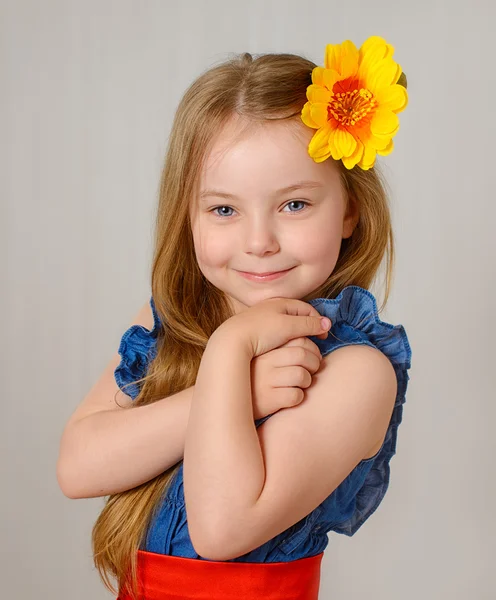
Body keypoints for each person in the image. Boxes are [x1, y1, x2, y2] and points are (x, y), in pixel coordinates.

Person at [57, 34, 413, 600]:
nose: (258, 242)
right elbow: (78, 467)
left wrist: (228, 350)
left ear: (350, 210)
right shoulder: (170, 322)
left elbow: (222, 528)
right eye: (223, 209)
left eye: (294, 204)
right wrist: (235, 391)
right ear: (188, 215)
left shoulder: (355, 371)